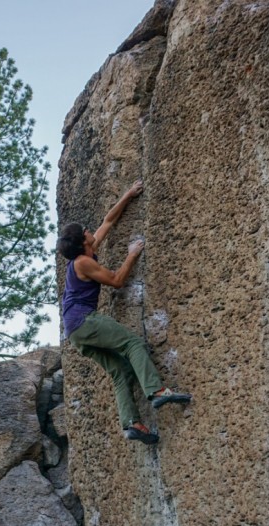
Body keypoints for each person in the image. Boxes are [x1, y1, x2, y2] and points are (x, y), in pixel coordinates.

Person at [58, 178, 191, 444]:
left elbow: (108, 221)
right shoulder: (83, 262)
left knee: (120, 371)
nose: (89, 230)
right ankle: (157, 391)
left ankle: (132, 424)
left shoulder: (85, 253)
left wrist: (128, 195)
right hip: (84, 321)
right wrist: (132, 253)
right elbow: (117, 281)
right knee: (132, 343)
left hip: (74, 332)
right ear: (83, 241)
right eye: (85, 230)